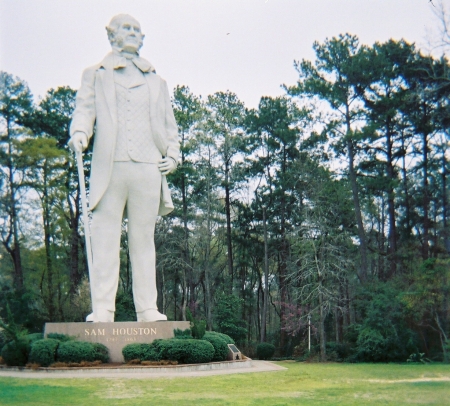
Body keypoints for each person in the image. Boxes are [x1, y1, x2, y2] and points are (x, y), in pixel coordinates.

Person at [68, 14, 179, 322]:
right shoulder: (95, 74)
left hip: (147, 168)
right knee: (105, 239)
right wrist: (80, 133)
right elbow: (84, 109)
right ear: (112, 35)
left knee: (144, 241)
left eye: (136, 30)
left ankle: (147, 309)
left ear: (141, 38)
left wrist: (173, 153)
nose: (131, 33)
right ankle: (103, 308)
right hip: (110, 167)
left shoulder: (157, 81)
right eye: (125, 29)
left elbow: (170, 126)